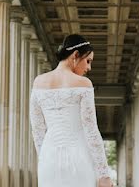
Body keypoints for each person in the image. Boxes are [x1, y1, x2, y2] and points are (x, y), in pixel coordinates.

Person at [30, 34, 114, 187]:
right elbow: (91, 130)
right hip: (79, 157)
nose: (89, 68)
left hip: (48, 159)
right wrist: (104, 174)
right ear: (75, 55)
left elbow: (37, 129)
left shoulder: (38, 82)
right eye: (88, 61)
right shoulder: (84, 84)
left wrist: (45, 159)